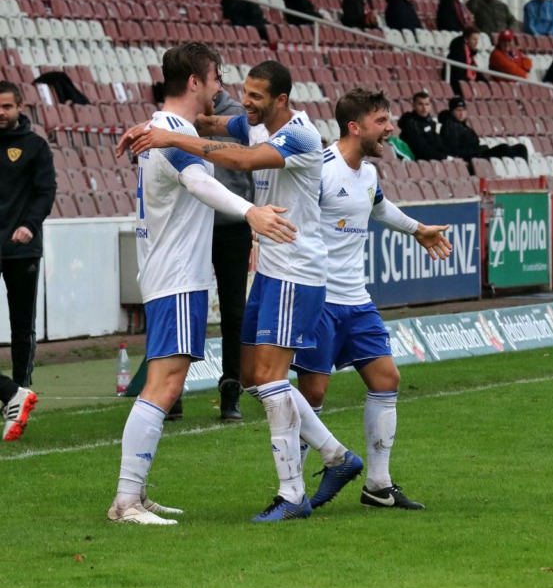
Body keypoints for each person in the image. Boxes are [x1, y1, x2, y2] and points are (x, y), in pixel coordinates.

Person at [124, 60, 344, 523]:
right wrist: (157, 125)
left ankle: (292, 493)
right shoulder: (255, 122)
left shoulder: (300, 136)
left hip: (296, 271)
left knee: (269, 378)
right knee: (253, 375)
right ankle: (337, 456)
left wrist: (170, 137)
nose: (243, 101)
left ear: (282, 100)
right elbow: (209, 123)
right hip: (269, 270)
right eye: (241, 91)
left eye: (256, 96)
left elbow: (239, 159)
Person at [293, 88, 452, 511]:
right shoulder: (320, 171)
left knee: (387, 380)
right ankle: (291, 490)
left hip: (356, 300)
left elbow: (379, 208)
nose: (390, 130)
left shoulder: (367, 173)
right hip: (319, 300)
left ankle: (378, 485)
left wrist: (418, 229)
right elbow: (291, 219)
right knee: (312, 397)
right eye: (382, 122)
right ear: (355, 126)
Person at [0, 80, 53, 440]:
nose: (0, 113)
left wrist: (29, 226)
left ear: (20, 106)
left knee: (22, 326)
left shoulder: (34, 147)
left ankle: (20, 391)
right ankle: (10, 397)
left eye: (5, 107)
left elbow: (45, 191)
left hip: (22, 247)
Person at [208, 90, 254, 421]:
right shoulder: (179, 115)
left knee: (234, 310)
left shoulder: (238, 116)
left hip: (231, 226)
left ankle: (231, 387)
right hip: (192, 225)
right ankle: (172, 390)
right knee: (186, 304)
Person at [438, 96, 528, 162]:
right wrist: (479, 149)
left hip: (477, 154)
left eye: (463, 110)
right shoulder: (449, 126)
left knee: (521, 148)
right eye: (458, 110)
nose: (461, 113)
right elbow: (455, 150)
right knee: (504, 148)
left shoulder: (462, 125)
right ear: (452, 112)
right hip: (473, 158)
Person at [398, 91, 448, 161]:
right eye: (420, 104)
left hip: (434, 160)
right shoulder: (410, 123)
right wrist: (445, 157)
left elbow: (440, 144)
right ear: (414, 106)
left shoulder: (433, 124)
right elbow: (421, 149)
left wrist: (447, 155)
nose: (424, 108)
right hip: (417, 162)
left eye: (427, 104)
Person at [445, 27, 485, 91]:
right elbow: (459, 75)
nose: (476, 42)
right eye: (474, 39)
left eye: (477, 40)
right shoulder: (457, 54)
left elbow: (476, 72)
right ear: (466, 39)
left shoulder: (470, 54)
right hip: (457, 88)